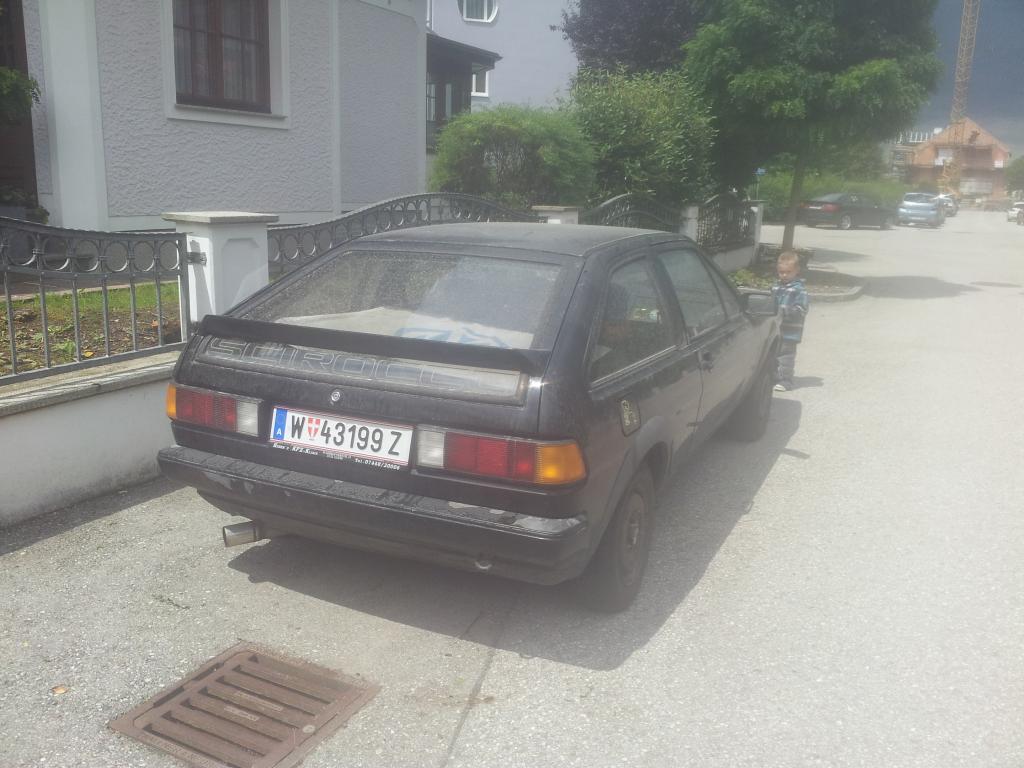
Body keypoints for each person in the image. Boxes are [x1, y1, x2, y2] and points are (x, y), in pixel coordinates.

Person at [771, 251, 809, 391]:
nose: (784, 275)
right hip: (775, 329)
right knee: (773, 354)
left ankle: (786, 381)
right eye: (781, 272)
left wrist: (784, 311)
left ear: (796, 271)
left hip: (790, 331)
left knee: (786, 356)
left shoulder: (800, 290)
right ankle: (774, 376)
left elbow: (802, 309)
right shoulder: (775, 287)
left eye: (788, 272)